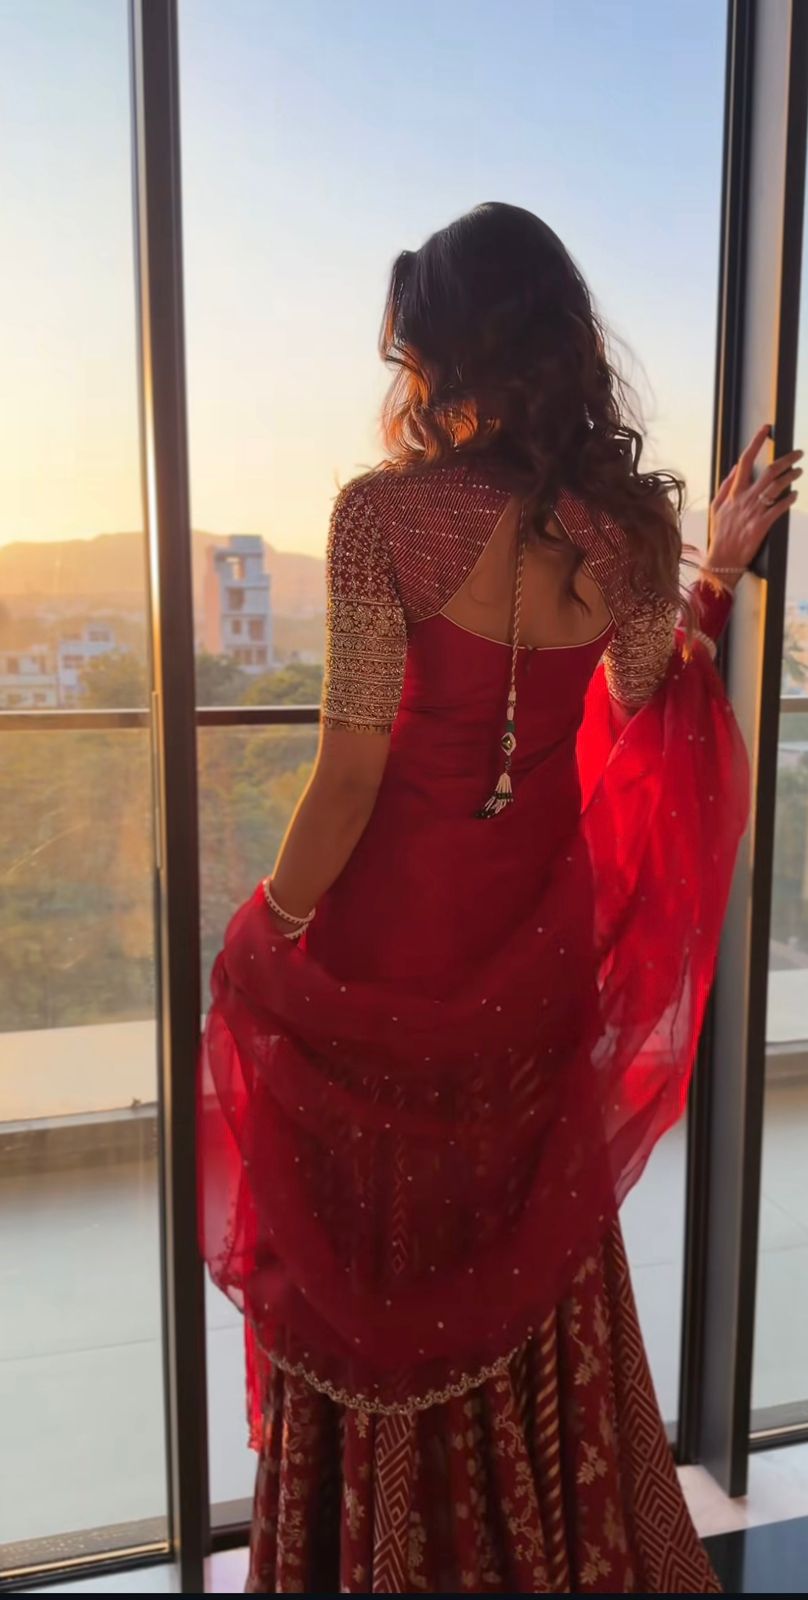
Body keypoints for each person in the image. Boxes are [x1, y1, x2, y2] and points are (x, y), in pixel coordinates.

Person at [198, 202, 799, 1594]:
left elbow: (350, 777)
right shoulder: (624, 534)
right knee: (519, 1265)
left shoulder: (383, 519)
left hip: (379, 973)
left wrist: (268, 926)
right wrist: (711, 571)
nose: (406, 378)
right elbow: (646, 699)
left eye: (413, 351)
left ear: (456, 352)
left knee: (377, 1280)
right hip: (531, 976)